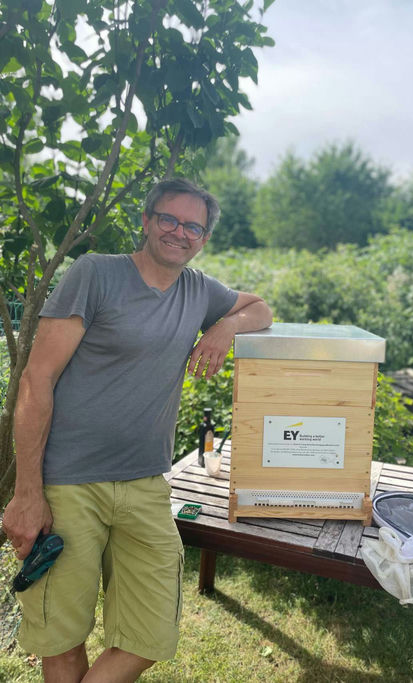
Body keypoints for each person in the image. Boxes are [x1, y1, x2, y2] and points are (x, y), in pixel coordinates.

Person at [2, 178, 273, 683]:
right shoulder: (96, 274)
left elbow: (260, 307)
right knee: (61, 636)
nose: (179, 232)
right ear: (146, 221)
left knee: (151, 633)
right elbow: (37, 381)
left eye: (193, 226)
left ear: (204, 238)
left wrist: (225, 326)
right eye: (168, 219)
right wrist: (27, 492)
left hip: (146, 482)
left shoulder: (199, 291)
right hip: (69, 482)